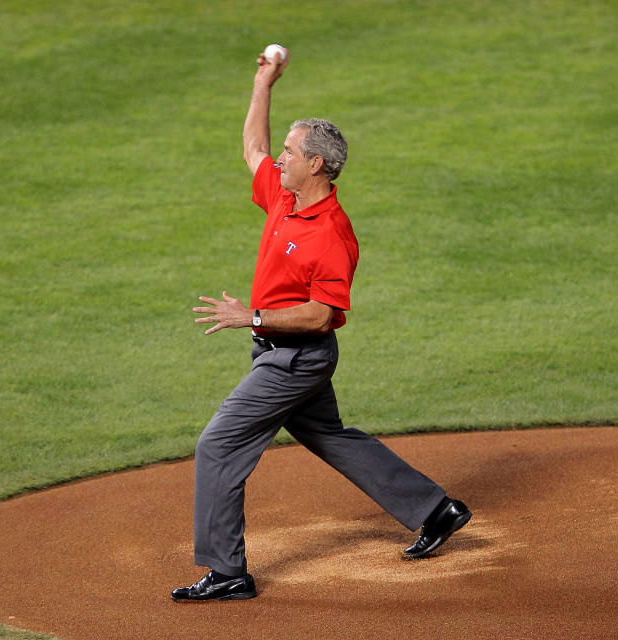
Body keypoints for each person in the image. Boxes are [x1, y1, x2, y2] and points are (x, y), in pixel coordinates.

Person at [171, 48, 471, 603]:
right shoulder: (285, 197)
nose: (279, 158)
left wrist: (250, 317)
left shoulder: (330, 232)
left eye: (291, 152)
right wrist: (265, 82)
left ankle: (228, 572)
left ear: (317, 165)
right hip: (279, 352)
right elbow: (252, 147)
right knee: (327, 434)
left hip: (295, 358)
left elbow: (325, 315)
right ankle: (435, 510)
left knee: (217, 444)